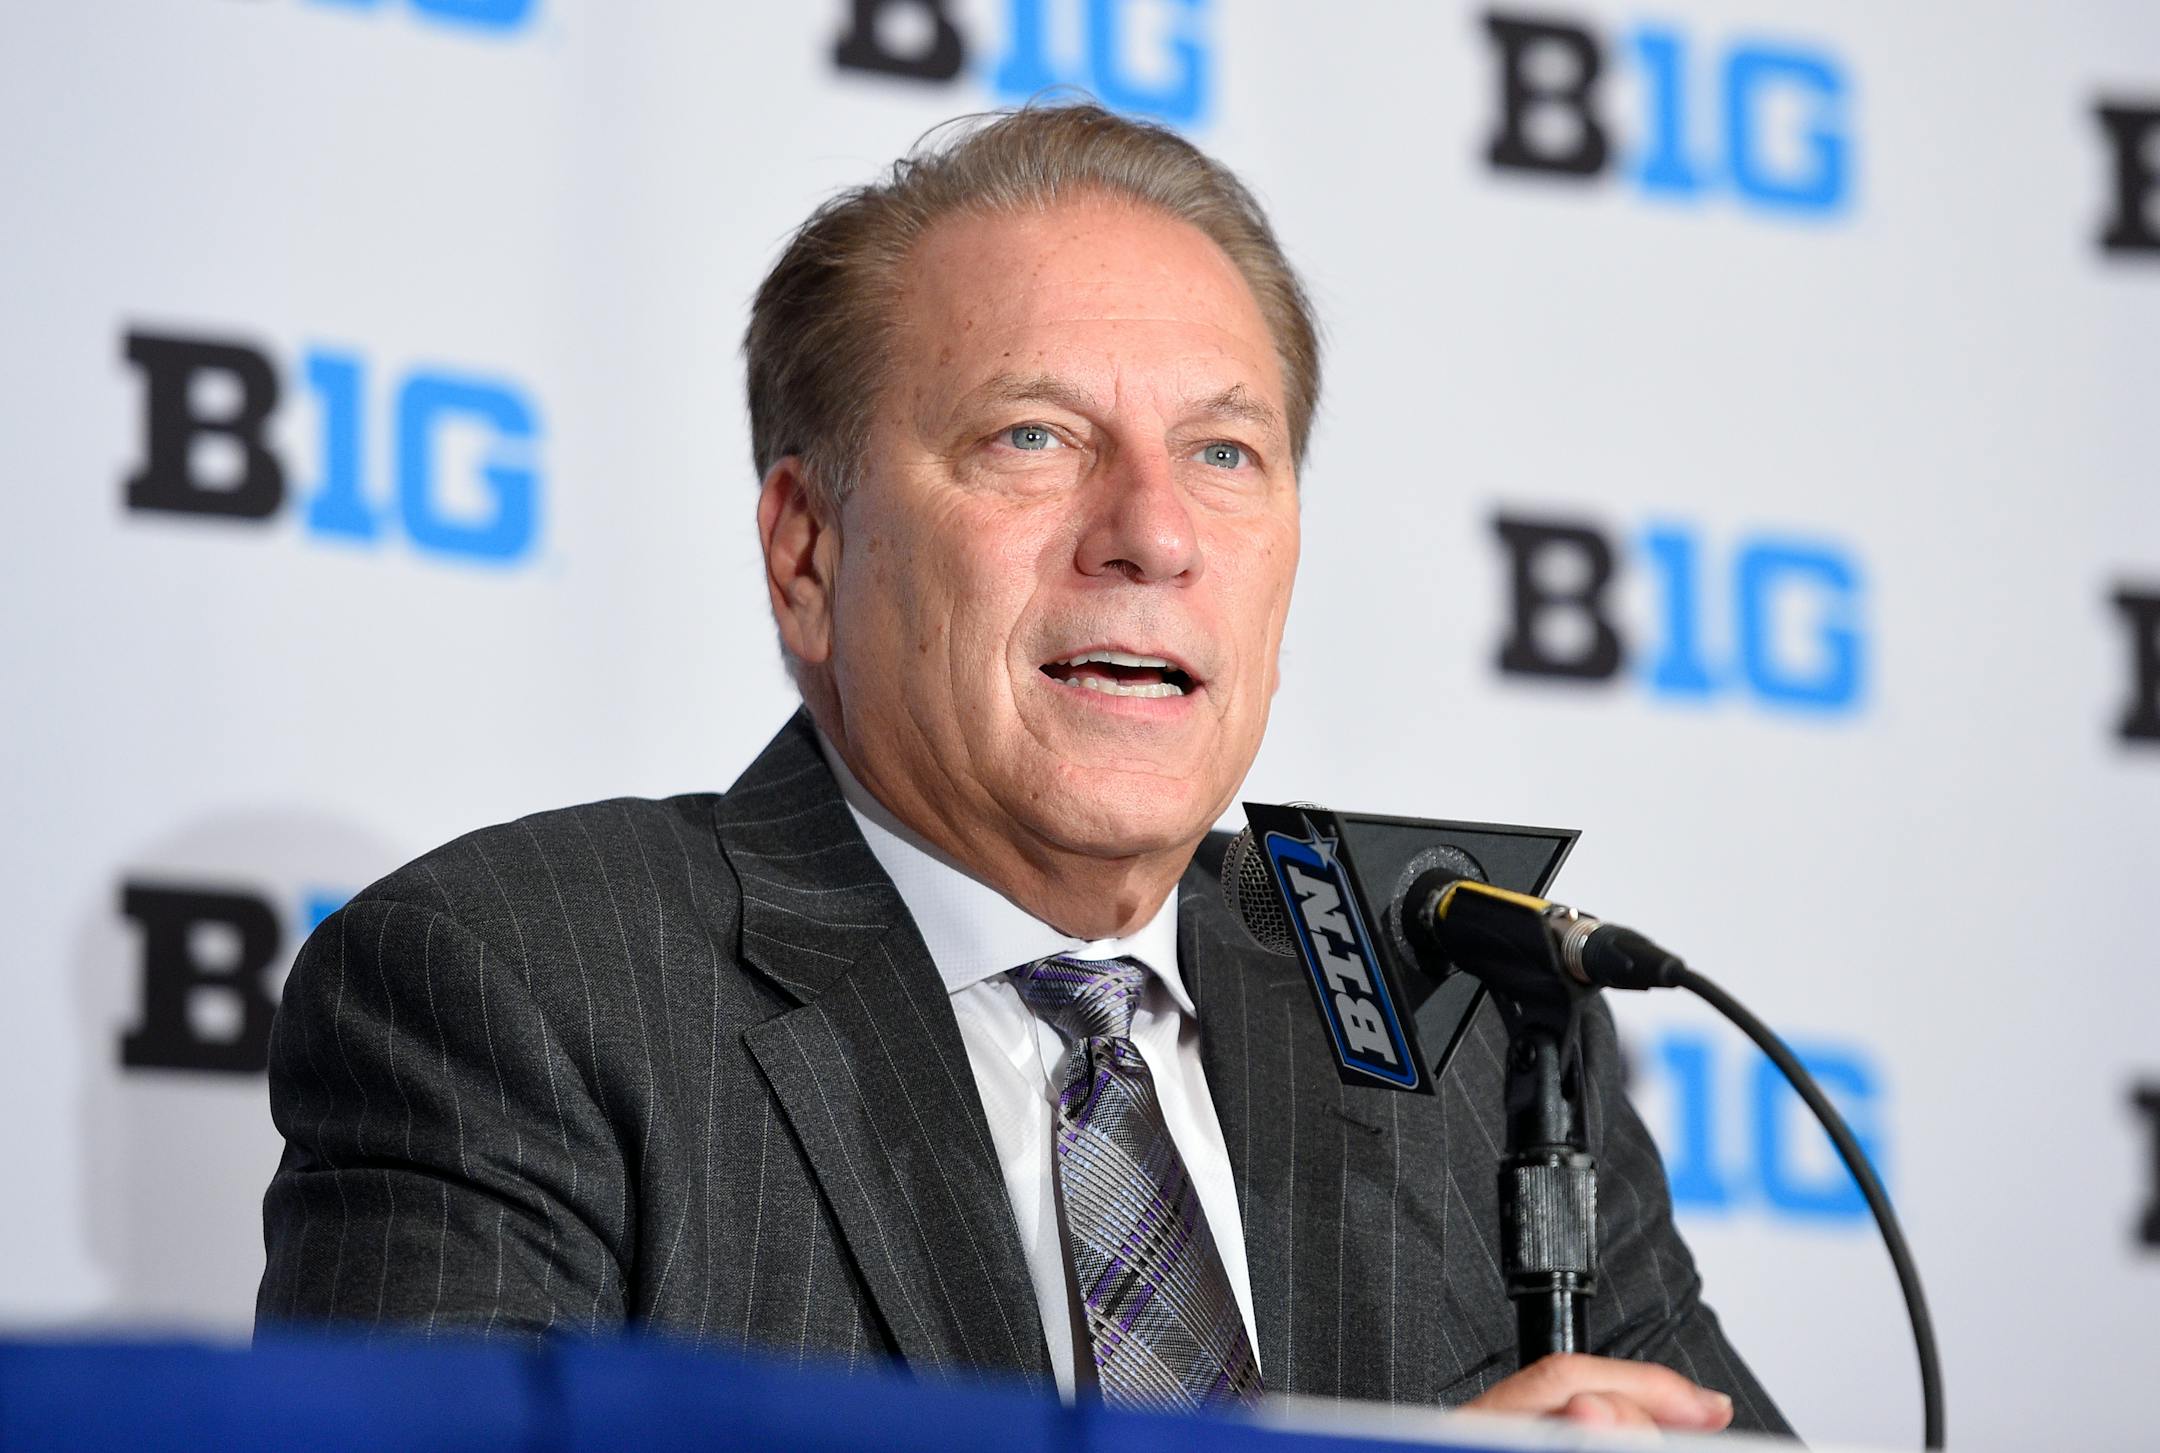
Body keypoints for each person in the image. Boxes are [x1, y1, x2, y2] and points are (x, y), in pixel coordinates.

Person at [257, 102, 1788, 1436]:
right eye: (1034, 438)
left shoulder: (1470, 1016)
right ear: (807, 551)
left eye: (1225, 453)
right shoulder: (519, 988)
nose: (1154, 532)